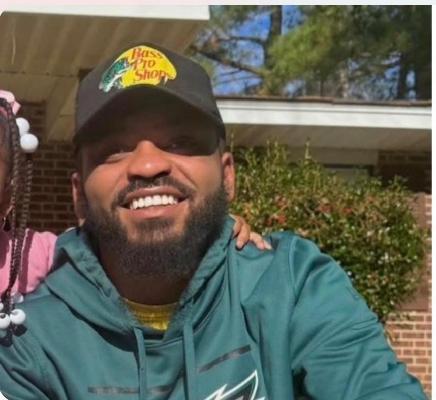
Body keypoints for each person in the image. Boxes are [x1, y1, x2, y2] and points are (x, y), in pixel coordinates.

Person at [0, 43, 427, 399]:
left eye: (180, 141)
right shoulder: (27, 346)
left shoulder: (292, 285)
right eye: (114, 149)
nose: (148, 164)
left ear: (227, 176)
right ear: (78, 196)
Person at [0, 91, 263, 313]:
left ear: (9, 194)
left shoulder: (34, 254)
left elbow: (97, 246)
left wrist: (215, 229)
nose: (148, 166)